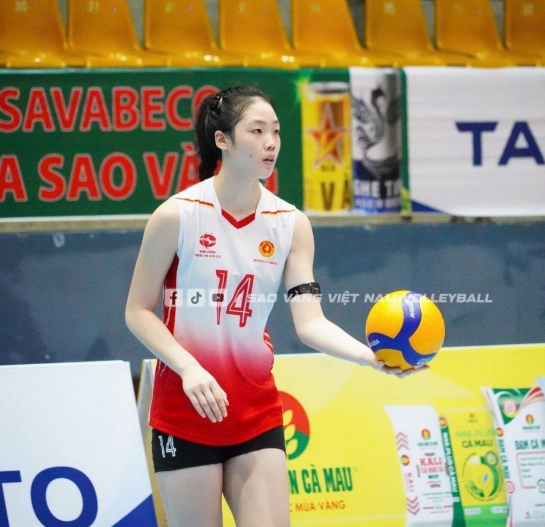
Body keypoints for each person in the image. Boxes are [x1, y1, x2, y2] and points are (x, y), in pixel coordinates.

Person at [125, 85, 421, 527]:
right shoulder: (177, 216)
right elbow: (138, 311)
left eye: (276, 132)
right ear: (223, 140)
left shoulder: (290, 224)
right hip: (187, 411)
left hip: (256, 412)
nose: (271, 143)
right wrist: (189, 368)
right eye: (257, 131)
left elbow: (310, 322)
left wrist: (370, 357)